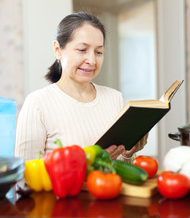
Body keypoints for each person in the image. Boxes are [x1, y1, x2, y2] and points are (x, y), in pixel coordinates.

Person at [15, 11, 148, 163]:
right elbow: (24, 177)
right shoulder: (37, 103)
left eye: (98, 52)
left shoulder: (114, 98)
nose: (91, 60)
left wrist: (127, 154)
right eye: (82, 50)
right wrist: (90, 164)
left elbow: (118, 170)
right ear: (58, 50)